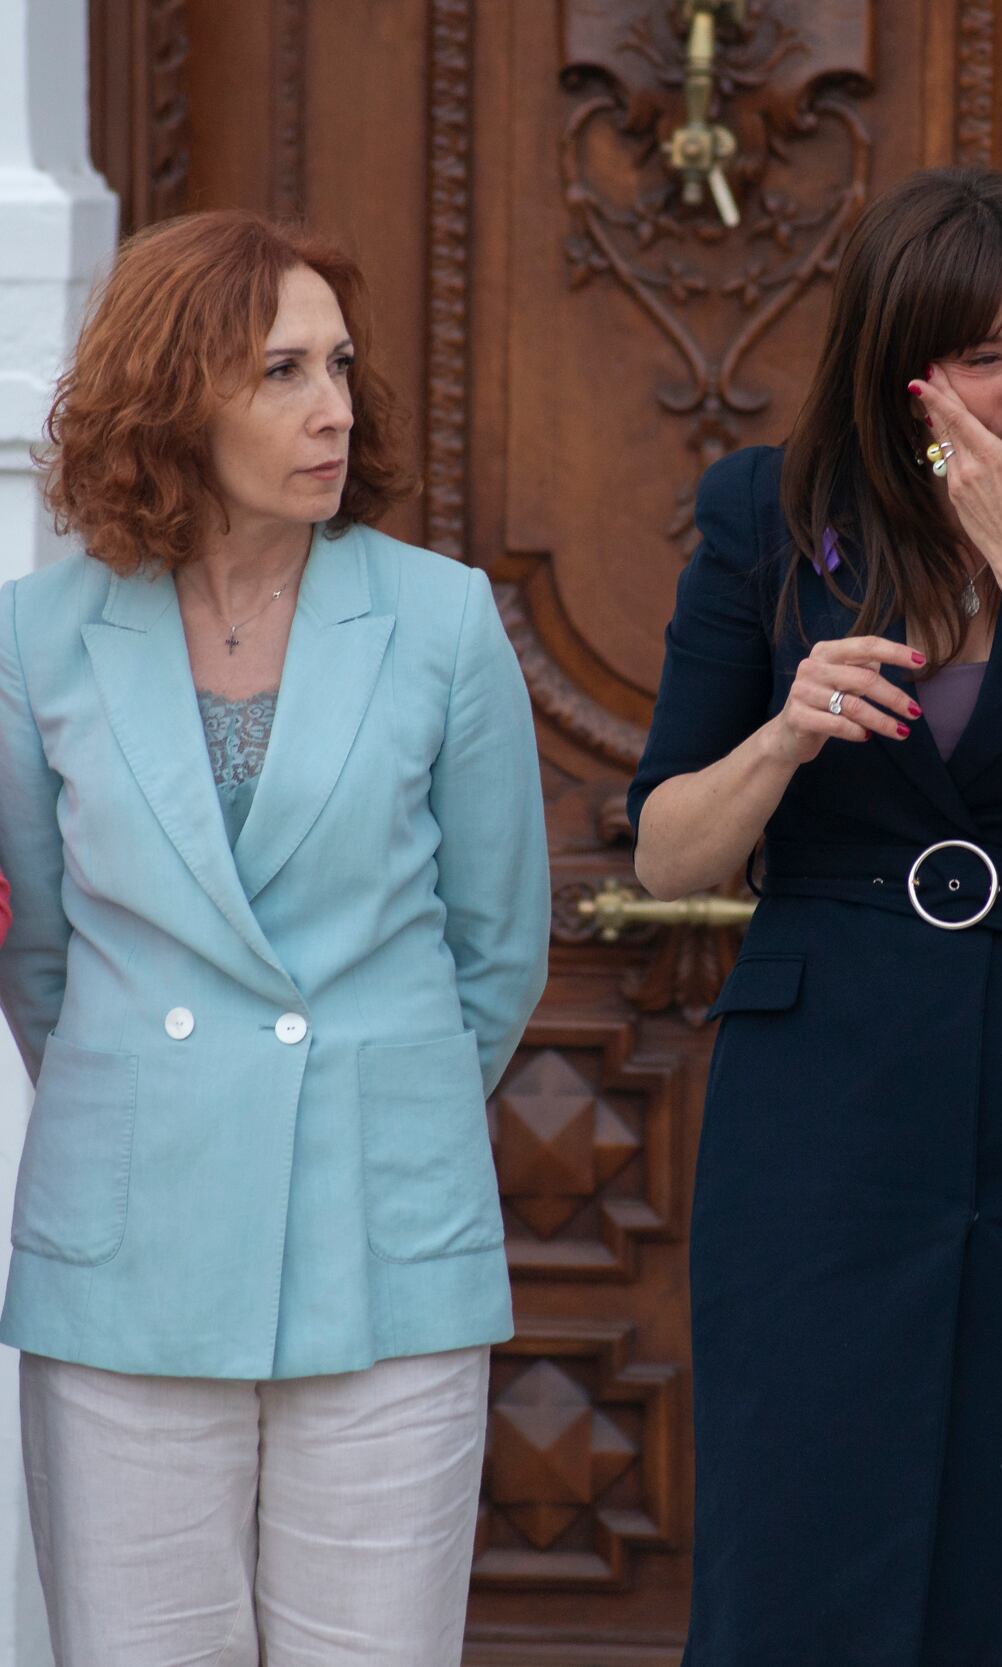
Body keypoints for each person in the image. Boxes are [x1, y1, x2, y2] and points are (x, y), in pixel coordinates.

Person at [628, 166, 1002, 1665]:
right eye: (987, 355)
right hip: (819, 1107)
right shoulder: (767, 515)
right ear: (903, 371)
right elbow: (668, 847)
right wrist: (782, 737)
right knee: (801, 1542)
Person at [0, 210, 549, 1664]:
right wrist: (171, 1107)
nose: (336, 409)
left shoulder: (444, 620)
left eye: (341, 365)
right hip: (130, 1250)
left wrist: (377, 1102)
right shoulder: (35, 638)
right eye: (283, 372)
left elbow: (499, 947)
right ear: (173, 402)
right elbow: (40, 959)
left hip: (386, 1241)